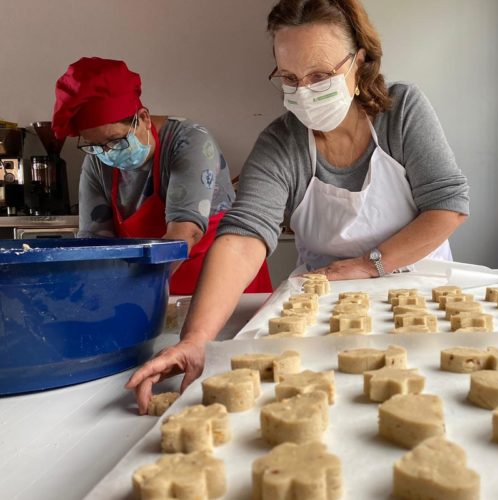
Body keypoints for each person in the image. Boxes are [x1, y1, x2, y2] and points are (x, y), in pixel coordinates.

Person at [126, 0, 470, 413]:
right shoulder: (282, 143)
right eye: (290, 79)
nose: (304, 92)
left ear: (359, 63)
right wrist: (197, 341)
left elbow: (447, 206)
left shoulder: (401, 112)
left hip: (418, 291)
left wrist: (367, 263)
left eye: (320, 76)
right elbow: (243, 238)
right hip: (320, 310)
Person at [51, 57, 273, 294]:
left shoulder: (189, 141)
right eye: (95, 145)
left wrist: (142, 293)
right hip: (151, 288)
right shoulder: (97, 161)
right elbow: (95, 241)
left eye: (115, 140)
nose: (106, 152)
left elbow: (185, 232)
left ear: (144, 118)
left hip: (221, 283)